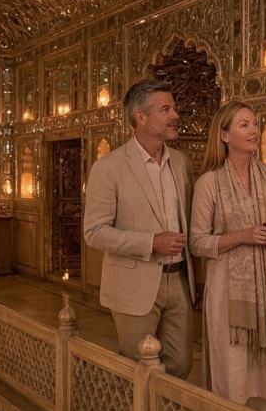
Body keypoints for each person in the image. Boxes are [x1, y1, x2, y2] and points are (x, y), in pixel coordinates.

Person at [83, 79, 195, 379]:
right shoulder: (108, 167)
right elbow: (94, 231)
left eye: (175, 108)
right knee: (137, 368)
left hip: (179, 281)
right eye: (165, 109)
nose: (175, 115)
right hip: (134, 282)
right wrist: (150, 242)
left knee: (181, 365)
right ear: (140, 117)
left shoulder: (182, 163)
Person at [189, 101, 266, 411]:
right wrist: (240, 237)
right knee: (232, 375)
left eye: (255, 124)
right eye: (244, 125)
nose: (255, 131)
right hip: (228, 297)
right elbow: (196, 242)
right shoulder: (210, 183)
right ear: (224, 135)